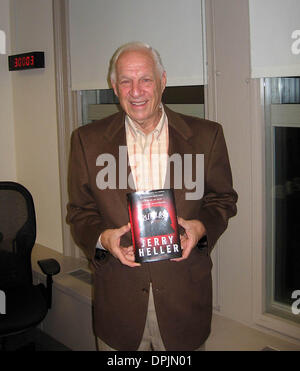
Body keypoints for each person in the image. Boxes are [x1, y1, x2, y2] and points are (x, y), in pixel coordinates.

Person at [67, 42, 238, 351]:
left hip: (184, 298)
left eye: (145, 79)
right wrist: (102, 238)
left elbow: (223, 199)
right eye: (125, 81)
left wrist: (202, 229)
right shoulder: (86, 141)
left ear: (162, 81)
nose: (136, 91)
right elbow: (79, 211)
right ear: (114, 86)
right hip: (117, 301)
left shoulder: (206, 136)